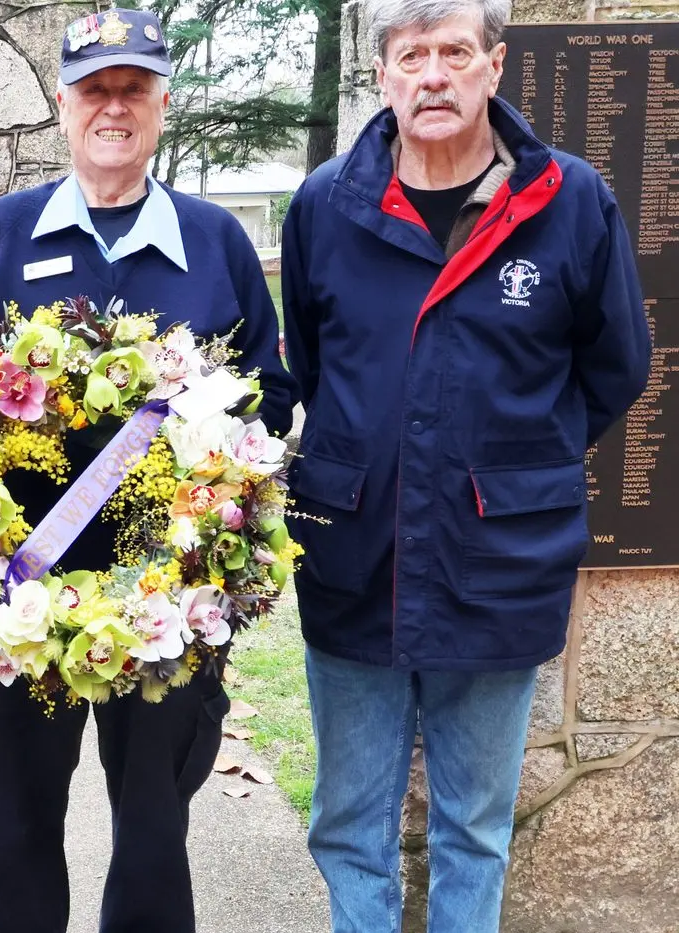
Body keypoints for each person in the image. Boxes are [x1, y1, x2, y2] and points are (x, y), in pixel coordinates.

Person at [279, 0, 651, 929]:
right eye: (412, 56)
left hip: (499, 568)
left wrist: (519, 467)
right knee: (348, 824)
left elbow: (616, 367)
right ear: (383, 77)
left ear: (494, 66)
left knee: (475, 830)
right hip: (352, 559)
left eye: (454, 52)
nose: (432, 75)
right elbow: (315, 367)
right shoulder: (327, 204)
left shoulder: (570, 200)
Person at [0, 10, 295, 933]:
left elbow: (266, 405)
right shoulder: (3, 234)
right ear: (63, 104)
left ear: (163, 105)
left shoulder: (216, 242)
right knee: (10, 842)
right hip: (18, 601)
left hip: (167, 610)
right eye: (94, 87)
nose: (113, 106)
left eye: (133, 88)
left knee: (150, 844)